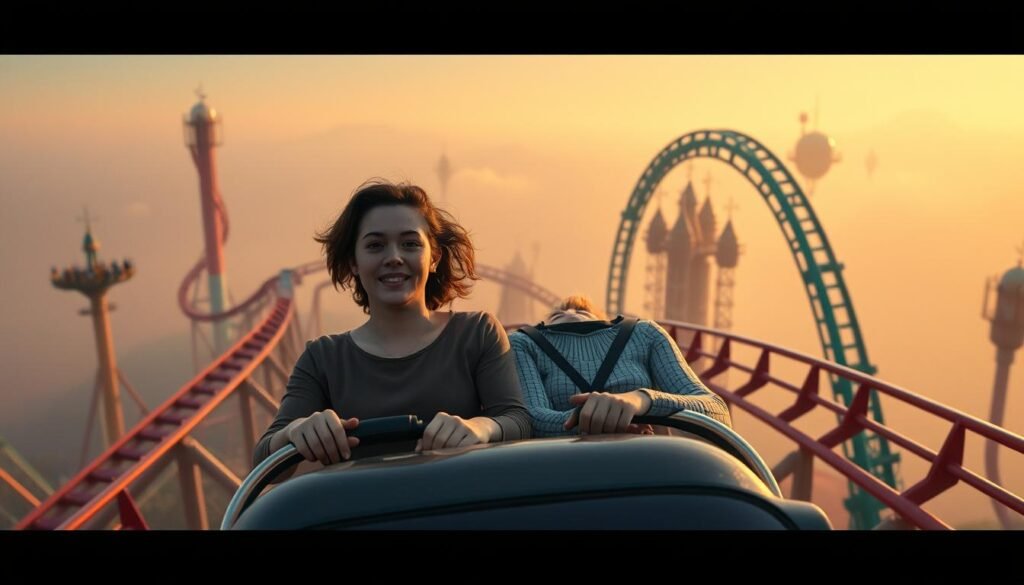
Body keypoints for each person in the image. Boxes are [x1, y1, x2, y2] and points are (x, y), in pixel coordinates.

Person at [253, 180, 531, 472]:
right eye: (375, 246)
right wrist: (296, 431)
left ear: (434, 257)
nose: (394, 258)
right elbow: (266, 462)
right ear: (353, 263)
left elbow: (518, 421)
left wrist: (480, 428)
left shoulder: (477, 333)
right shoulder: (323, 358)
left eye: (410, 244)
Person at [509, 295, 730, 437]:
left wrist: (641, 400)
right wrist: (609, 421)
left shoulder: (644, 333)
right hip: (567, 467)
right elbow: (532, 420)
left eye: (582, 310)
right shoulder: (523, 343)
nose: (569, 312)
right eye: (557, 314)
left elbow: (716, 411)